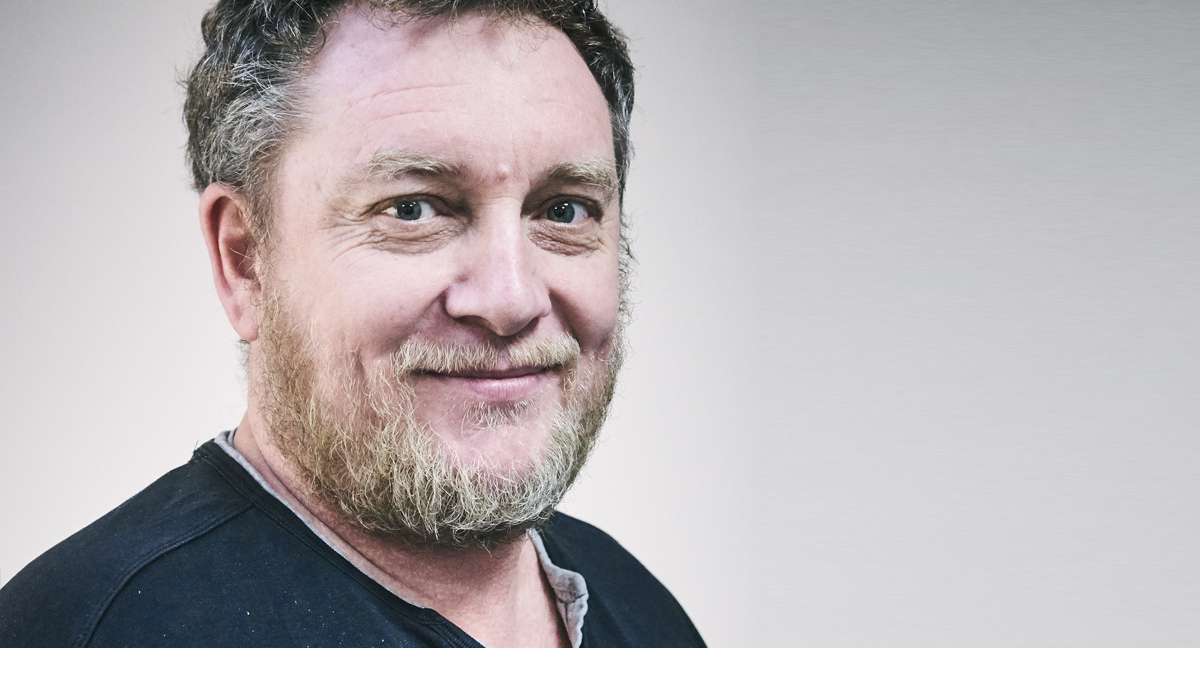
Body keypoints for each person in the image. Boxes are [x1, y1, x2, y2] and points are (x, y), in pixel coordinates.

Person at [0, 0, 703, 648]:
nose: (510, 299)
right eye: (413, 209)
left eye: (564, 210)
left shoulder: (643, 611)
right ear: (245, 259)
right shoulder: (93, 637)